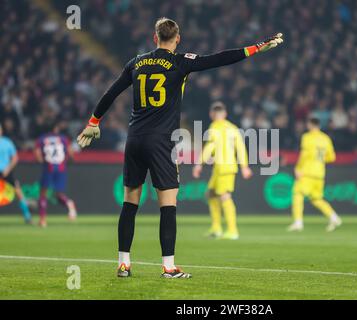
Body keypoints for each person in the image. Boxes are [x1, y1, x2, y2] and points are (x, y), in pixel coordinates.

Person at [76, 17, 283, 278]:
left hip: (134, 139)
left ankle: (124, 263)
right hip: (161, 142)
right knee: (168, 205)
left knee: (130, 203)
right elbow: (219, 58)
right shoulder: (180, 61)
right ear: (177, 39)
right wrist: (256, 48)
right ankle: (169, 267)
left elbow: (111, 92)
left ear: (154, 38)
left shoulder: (136, 62)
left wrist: (94, 121)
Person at [192, 102, 252, 240]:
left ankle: (232, 231)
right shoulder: (233, 128)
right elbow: (241, 148)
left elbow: (209, 147)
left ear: (211, 114)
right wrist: (244, 166)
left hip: (224, 167)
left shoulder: (214, 127)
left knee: (224, 196)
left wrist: (198, 164)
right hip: (224, 167)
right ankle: (216, 228)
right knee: (211, 194)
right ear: (225, 114)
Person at [288, 117, 342, 232]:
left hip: (307, 172)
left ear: (310, 125)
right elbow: (332, 157)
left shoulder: (307, 137)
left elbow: (304, 154)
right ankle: (334, 217)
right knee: (316, 199)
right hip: (320, 174)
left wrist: (298, 168)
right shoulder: (326, 138)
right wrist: (320, 161)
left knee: (297, 193)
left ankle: (298, 222)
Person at [35, 123, 77, 227]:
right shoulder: (63, 138)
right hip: (61, 168)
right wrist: (69, 160)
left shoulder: (41, 139)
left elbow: (38, 156)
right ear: (55, 128)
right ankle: (69, 204)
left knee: (43, 194)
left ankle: (43, 220)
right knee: (59, 195)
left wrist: (43, 161)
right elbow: (71, 153)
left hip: (48, 168)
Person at [0, 124, 32, 224]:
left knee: (18, 192)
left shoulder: (7, 142)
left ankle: (27, 216)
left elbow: (15, 158)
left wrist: (8, 169)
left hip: (6, 172)